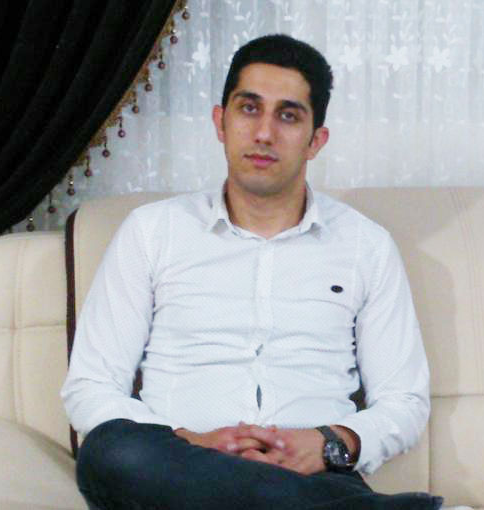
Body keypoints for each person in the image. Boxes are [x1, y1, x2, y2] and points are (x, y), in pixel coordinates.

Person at [62, 34, 443, 510]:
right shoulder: (153, 232)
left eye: (288, 116)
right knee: (109, 452)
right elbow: (92, 386)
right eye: (249, 109)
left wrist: (329, 441)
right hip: (179, 474)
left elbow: (404, 401)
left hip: (314, 479)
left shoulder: (366, 246)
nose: (264, 133)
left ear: (316, 140)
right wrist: (189, 443)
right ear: (220, 122)